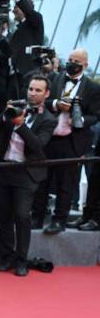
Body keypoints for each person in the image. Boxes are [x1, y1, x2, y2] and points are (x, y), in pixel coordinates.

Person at [0, 75, 57, 276]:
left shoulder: (48, 119)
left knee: (21, 215)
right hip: (3, 169)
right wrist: (5, 115)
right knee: (3, 217)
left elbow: (37, 145)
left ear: (47, 94)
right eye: (30, 89)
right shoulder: (14, 109)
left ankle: (21, 260)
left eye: (38, 90)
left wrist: (20, 125)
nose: (32, 93)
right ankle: (6, 257)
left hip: (26, 173)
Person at [33, 49, 100, 234]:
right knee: (42, 180)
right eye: (70, 60)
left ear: (85, 65)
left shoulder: (93, 88)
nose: (71, 63)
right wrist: (56, 104)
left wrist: (80, 120)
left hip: (73, 140)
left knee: (66, 183)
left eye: (76, 61)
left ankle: (59, 220)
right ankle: (36, 217)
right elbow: (40, 101)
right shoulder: (54, 78)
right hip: (49, 137)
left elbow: (95, 116)